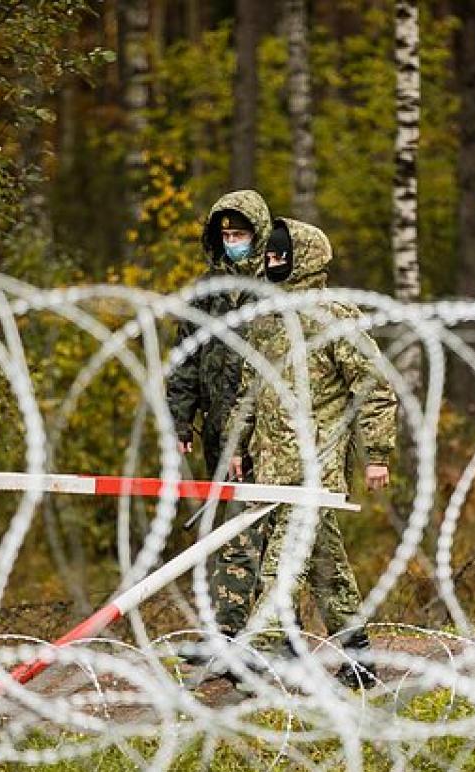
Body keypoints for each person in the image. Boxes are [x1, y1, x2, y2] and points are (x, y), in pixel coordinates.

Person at [229, 217, 397, 689]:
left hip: (316, 464)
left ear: (303, 258)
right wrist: (238, 447)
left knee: (284, 558)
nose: (272, 262)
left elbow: (374, 386)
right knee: (325, 562)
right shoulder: (265, 318)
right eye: (269, 255)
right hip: (271, 465)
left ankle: (259, 650)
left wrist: (377, 454)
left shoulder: (334, 316)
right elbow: (249, 389)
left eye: (280, 256)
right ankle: (358, 654)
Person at [166, 189, 272, 646]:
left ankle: (234, 634)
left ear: (258, 233)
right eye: (226, 235)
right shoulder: (206, 293)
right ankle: (240, 629)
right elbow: (185, 359)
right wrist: (180, 419)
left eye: (240, 234)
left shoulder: (273, 286)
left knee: (249, 528)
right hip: (215, 427)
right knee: (222, 530)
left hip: (262, 430)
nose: (233, 242)